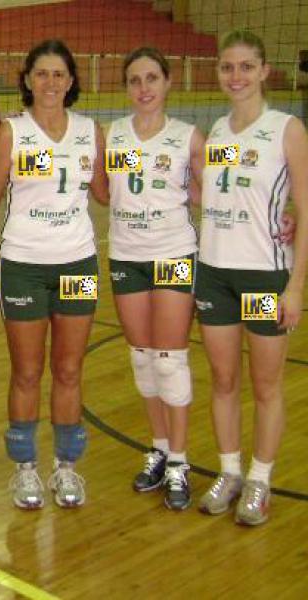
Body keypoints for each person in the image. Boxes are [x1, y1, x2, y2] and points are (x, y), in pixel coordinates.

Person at [0, 39, 108, 510]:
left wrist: (161, 166)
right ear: (28, 80)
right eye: (42, 73)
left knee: (70, 369)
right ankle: (25, 469)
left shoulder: (91, 132)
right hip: (24, 265)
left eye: (59, 74)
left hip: (78, 263)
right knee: (28, 371)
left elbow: (109, 192)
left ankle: (66, 466)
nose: (51, 82)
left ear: (71, 81)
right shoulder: (11, 133)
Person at [196, 30, 308, 526]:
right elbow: (216, 195)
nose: (236, 76)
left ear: (264, 71)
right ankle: (229, 472)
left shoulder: (286, 130)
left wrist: (295, 287)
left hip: (263, 277)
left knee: (265, 385)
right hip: (214, 275)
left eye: (245, 66)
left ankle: (260, 479)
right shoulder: (217, 131)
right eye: (227, 67)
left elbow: (305, 208)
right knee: (222, 380)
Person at [106, 47, 204, 510]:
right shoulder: (112, 136)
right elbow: (99, 189)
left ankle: (180, 462)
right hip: (126, 256)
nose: (143, 88)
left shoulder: (190, 137)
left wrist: (279, 218)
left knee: (169, 360)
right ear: (126, 87)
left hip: (173, 254)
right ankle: (159, 449)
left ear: (167, 82)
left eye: (151, 78)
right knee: (143, 359)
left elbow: (216, 189)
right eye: (134, 80)